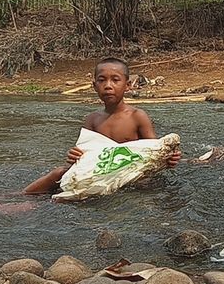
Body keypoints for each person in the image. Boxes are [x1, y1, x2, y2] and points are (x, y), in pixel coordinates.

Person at [24, 57, 182, 195]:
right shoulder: (93, 119)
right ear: (94, 85)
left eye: (115, 80)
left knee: (147, 184)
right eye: (102, 80)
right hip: (100, 172)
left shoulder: (137, 116)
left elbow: (155, 151)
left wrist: (169, 159)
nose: (108, 85)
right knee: (59, 173)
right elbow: (84, 155)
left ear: (128, 85)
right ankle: (19, 198)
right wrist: (74, 156)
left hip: (131, 173)